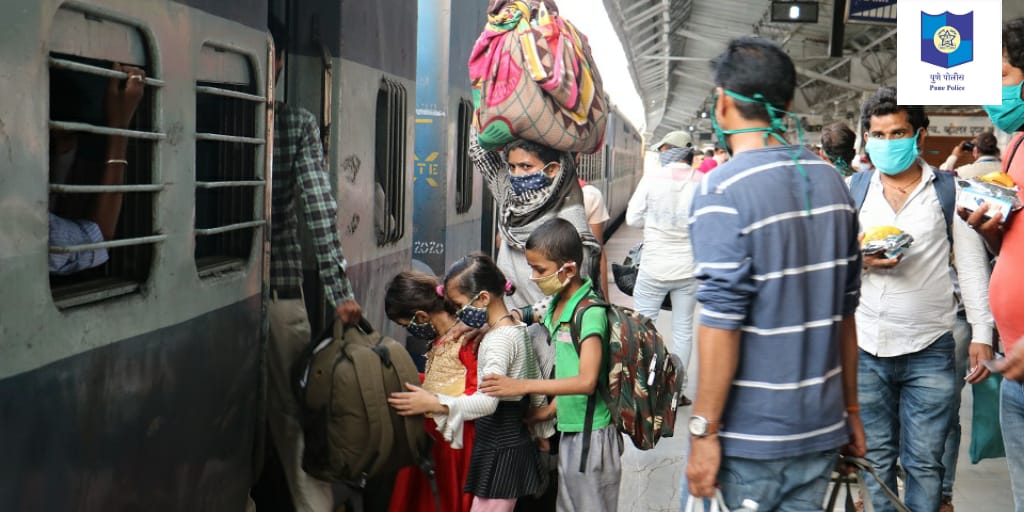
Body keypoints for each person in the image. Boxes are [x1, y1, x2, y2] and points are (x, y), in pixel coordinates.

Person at [684, 37, 865, 510]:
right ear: (786, 105)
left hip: (747, 441)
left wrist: (704, 431)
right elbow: (845, 316)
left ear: (722, 102)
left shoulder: (720, 189)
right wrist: (851, 413)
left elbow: (722, 323)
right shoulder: (833, 183)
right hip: (821, 432)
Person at [854, 87, 994, 512]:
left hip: (930, 347)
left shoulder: (950, 190)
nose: (887, 143)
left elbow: (970, 267)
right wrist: (858, 258)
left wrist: (982, 334)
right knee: (874, 461)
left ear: (919, 134)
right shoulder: (853, 189)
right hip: (864, 347)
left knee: (925, 464)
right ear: (866, 138)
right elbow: (829, 261)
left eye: (897, 133)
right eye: (878, 135)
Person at [264, 19, 363, 512]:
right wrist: (340, 291)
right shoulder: (296, 123)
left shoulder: (205, 109)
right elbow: (319, 212)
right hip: (279, 300)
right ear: (278, 62)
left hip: (218, 303)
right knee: (292, 418)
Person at [388, 253, 555, 512]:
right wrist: (543, 432)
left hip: (492, 447)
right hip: (500, 444)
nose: (458, 315)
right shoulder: (512, 330)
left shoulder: (493, 340)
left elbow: (486, 401)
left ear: (483, 298)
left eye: (458, 305)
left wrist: (434, 403)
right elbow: (532, 377)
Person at [480, 218, 623, 512]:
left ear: (568, 269)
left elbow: (585, 381)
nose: (532, 277)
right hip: (572, 428)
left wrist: (521, 386)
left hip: (592, 436)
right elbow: (529, 315)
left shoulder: (589, 313)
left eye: (539, 269)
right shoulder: (558, 302)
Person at [960, 17, 1024, 512]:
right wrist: (994, 233)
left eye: (1001, 75)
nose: (993, 92)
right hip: (1015, 366)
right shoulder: (1018, 146)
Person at [471, 138, 601, 310]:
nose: (516, 175)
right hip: (511, 330)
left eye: (526, 167)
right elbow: (479, 152)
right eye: (511, 167)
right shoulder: (511, 200)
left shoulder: (570, 228)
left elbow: (574, 299)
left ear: (553, 169)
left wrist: (520, 316)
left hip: (551, 333)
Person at [385, 271, 478, 512]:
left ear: (421, 316)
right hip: (433, 437)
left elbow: (476, 394)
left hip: (452, 442)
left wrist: (433, 401)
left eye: (406, 325)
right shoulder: (439, 338)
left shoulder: (468, 338)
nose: (408, 330)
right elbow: (445, 379)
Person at [48, 64, 145, 275]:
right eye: (52, 140)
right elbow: (95, 241)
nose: (59, 149)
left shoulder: (85, 175)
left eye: (65, 138)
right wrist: (119, 127)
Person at [625, 140, 700, 398]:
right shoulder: (701, 180)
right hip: (689, 268)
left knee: (643, 327)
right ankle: (676, 391)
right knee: (683, 330)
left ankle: (643, 387)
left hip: (654, 266)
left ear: (668, 153)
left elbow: (632, 218)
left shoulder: (652, 178)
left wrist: (656, 221)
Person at [578, 177, 611, 299]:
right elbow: (597, 251)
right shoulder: (589, 194)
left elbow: (597, 252)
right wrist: (605, 303)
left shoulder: (589, 194)